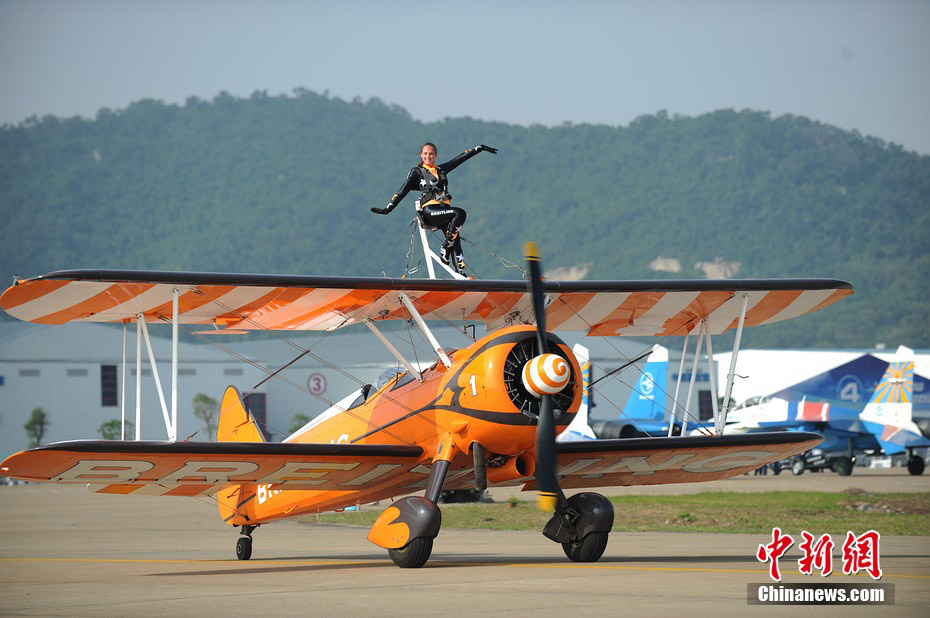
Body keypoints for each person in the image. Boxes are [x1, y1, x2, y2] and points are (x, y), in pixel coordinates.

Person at [371, 142, 497, 275]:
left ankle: (462, 275)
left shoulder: (442, 169)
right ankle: (445, 247)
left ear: (436, 155)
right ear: (421, 155)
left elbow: (459, 159)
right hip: (430, 211)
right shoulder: (417, 171)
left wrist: (479, 148)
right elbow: (402, 191)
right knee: (459, 213)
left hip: (445, 213)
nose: (428, 156)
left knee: (455, 241)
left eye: (431, 153)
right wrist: (388, 208)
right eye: (425, 153)